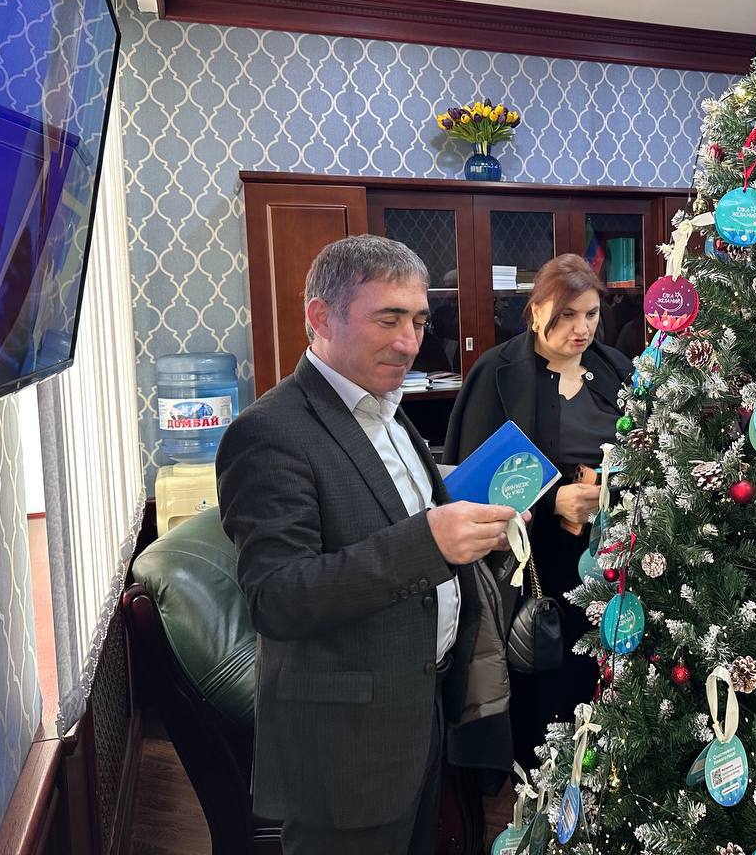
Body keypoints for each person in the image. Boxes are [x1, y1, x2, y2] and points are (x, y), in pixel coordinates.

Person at [216, 236, 517, 855]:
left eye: (419, 321)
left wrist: (478, 521)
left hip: (421, 709)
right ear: (321, 317)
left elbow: (395, 510)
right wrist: (430, 542)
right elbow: (279, 598)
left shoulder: (386, 407)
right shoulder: (269, 434)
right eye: (388, 319)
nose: (410, 343)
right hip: (345, 744)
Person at [444, 254, 632, 770]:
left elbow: (647, 449)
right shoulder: (497, 372)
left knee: (604, 679)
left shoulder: (616, 368)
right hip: (532, 562)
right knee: (546, 681)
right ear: (536, 311)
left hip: (612, 553)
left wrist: (610, 486)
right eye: (567, 315)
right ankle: (539, 788)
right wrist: (553, 501)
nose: (582, 328)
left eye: (591, 314)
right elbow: (473, 484)